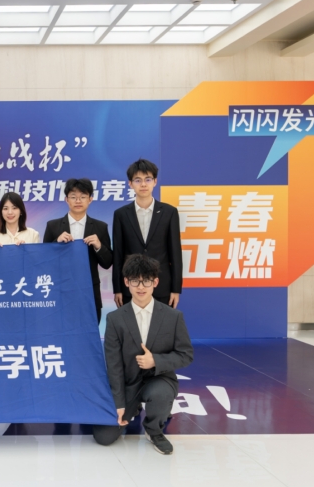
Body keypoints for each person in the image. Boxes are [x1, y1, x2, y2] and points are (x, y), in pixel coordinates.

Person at [93, 254, 193, 455]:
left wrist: (155, 360)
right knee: (103, 437)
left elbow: (185, 354)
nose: (141, 287)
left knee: (160, 394)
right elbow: (113, 364)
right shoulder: (115, 319)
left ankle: (154, 429)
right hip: (128, 383)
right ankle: (133, 407)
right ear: (126, 282)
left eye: (146, 280)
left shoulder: (173, 316)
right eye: (135, 281)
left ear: (155, 282)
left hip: (159, 378)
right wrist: (119, 403)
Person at [112, 159, 182, 309]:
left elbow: (175, 254)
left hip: (162, 286)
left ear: (155, 181)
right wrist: (117, 289)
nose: (143, 184)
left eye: (148, 179)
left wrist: (176, 289)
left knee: (161, 324)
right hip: (131, 286)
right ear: (130, 183)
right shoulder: (121, 214)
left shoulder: (169, 212)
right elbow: (118, 254)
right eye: (138, 180)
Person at [43, 178, 112, 323]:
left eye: (83, 197)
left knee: (90, 330)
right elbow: (44, 262)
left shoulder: (100, 227)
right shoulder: (53, 226)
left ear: (90, 199)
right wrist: (56, 243)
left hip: (89, 293)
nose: (78, 201)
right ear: (66, 199)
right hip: (61, 291)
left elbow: (107, 263)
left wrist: (98, 246)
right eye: (73, 197)